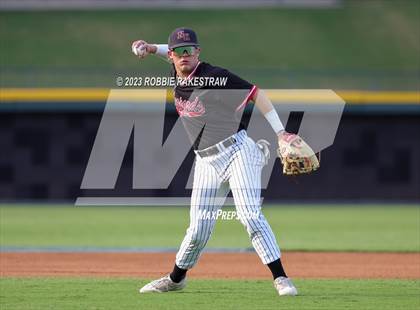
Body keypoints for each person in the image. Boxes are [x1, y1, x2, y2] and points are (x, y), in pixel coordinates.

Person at [131, 27, 298, 296]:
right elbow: (170, 53)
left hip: (237, 151)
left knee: (250, 216)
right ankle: (176, 279)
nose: (184, 56)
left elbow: (257, 94)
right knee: (198, 229)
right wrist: (150, 47)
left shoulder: (215, 76)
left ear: (198, 52)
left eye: (189, 50)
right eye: (178, 52)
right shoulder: (176, 69)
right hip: (206, 161)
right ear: (172, 56)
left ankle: (281, 278)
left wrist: (281, 132)